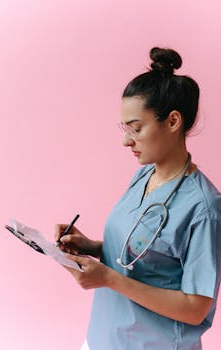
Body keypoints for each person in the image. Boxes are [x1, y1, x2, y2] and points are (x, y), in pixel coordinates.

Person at [55, 47, 221, 350]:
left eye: (136, 128)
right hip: (104, 338)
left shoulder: (203, 209)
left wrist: (110, 279)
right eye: (124, 128)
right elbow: (149, 257)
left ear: (172, 122)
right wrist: (91, 246)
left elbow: (196, 308)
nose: (125, 140)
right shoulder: (144, 176)